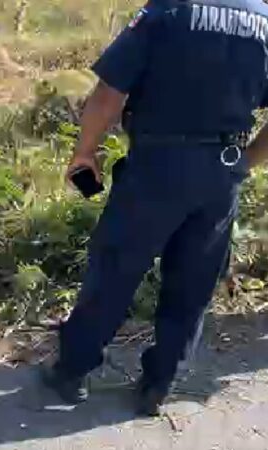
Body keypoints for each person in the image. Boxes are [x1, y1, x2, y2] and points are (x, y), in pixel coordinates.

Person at [42, 0, 268, 416]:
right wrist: (244, 162)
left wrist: (85, 152)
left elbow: (110, 92)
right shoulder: (264, 20)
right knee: (194, 282)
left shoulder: (168, 9)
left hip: (158, 165)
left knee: (115, 268)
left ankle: (73, 370)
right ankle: (159, 385)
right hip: (222, 171)